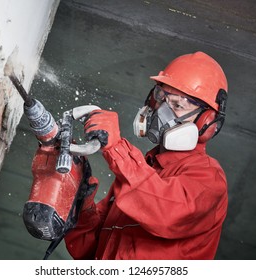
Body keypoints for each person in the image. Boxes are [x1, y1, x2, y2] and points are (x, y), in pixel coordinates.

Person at [64, 51, 229, 260]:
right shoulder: (139, 175)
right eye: (161, 98)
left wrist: (116, 148)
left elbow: (166, 213)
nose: (162, 111)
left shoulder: (209, 178)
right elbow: (87, 251)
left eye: (178, 105)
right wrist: (82, 201)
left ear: (206, 122)